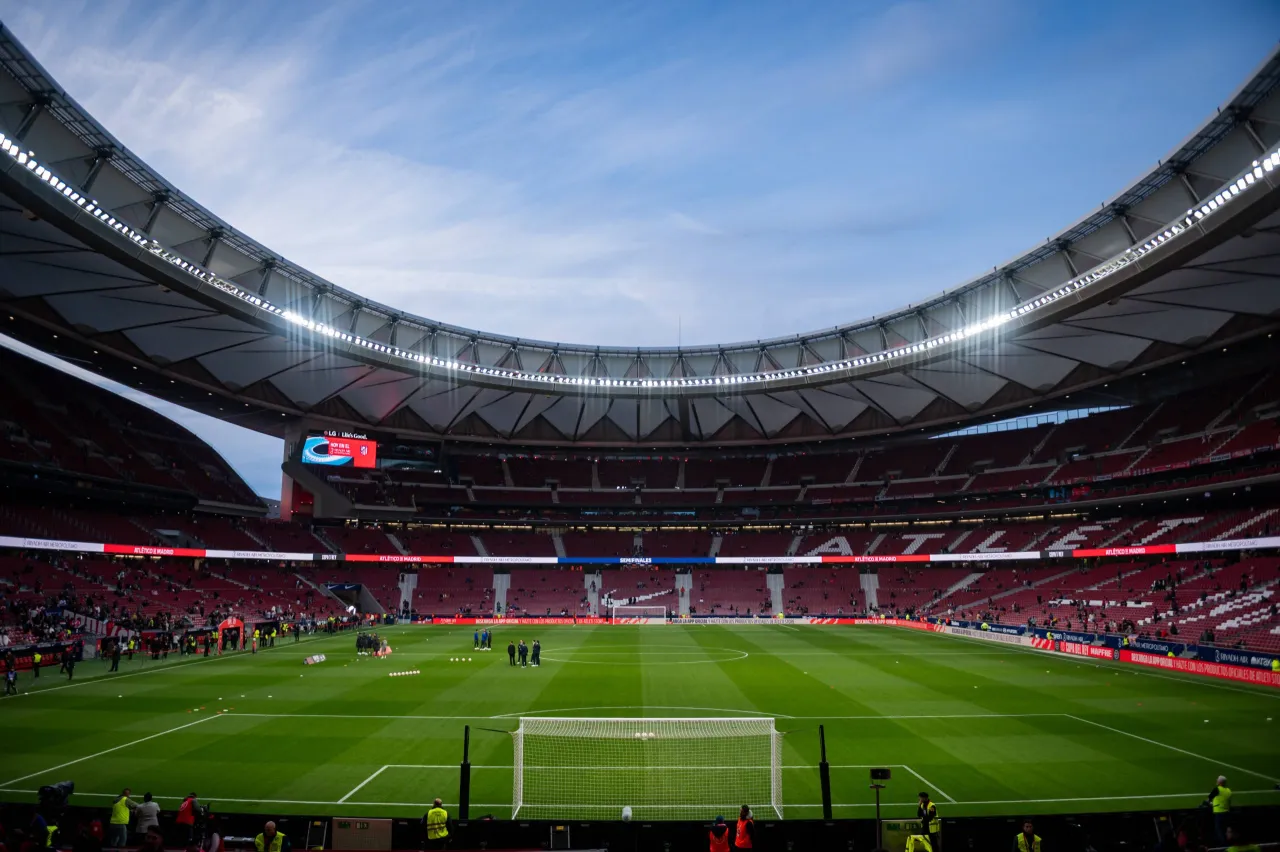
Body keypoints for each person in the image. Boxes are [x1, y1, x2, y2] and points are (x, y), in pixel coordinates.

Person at [1205, 774, 1231, 844]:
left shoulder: (1217, 789)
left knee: (1219, 831)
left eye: (1217, 780)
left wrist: (1210, 803)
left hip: (1219, 813)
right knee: (1226, 831)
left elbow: (1209, 798)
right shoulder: (1228, 790)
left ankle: (1223, 846)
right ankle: (1227, 843)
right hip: (1227, 813)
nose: (1216, 781)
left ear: (1220, 782)